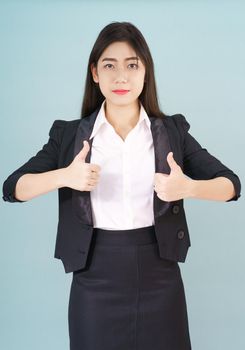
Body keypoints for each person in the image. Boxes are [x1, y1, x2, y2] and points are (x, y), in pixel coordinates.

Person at [2, 21, 241, 350]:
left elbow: (231, 185)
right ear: (95, 73)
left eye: (132, 65)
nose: (121, 77)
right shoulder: (69, 135)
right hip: (94, 276)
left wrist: (188, 188)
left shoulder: (173, 132)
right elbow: (13, 187)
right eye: (109, 65)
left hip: (160, 272)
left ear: (146, 72)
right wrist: (64, 177)